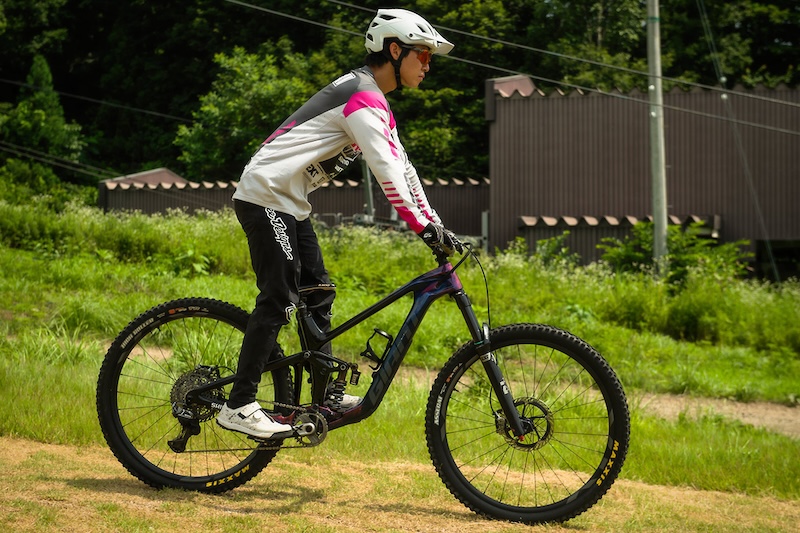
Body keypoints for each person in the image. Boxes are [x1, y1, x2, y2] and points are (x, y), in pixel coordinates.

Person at [217, 8, 463, 439]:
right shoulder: (362, 98)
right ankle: (239, 404)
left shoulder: (373, 99)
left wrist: (436, 223)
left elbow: (405, 170)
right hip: (264, 195)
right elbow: (386, 172)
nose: (428, 64)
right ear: (395, 49)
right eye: (423, 54)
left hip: (289, 201)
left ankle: (324, 393)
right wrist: (421, 227)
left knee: (318, 293)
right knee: (279, 296)